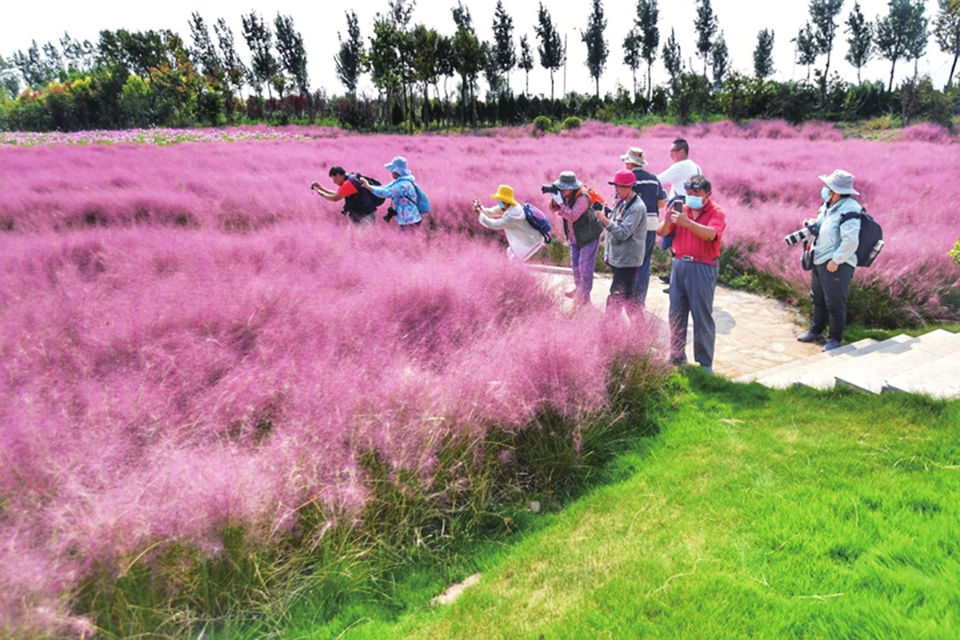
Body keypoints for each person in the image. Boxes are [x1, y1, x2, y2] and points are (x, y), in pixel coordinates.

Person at [658, 174, 726, 374]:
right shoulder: (681, 209)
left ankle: (705, 363)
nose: (691, 198)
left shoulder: (717, 212)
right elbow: (662, 231)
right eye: (688, 194)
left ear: (708, 195)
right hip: (679, 265)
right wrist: (670, 220)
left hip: (702, 266)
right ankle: (676, 355)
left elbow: (711, 234)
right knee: (676, 313)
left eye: (696, 194)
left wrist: (687, 223)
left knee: (701, 315)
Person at [796, 169, 863, 352]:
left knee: (834, 303)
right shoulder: (827, 205)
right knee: (817, 298)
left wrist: (836, 260)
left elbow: (851, 241)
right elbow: (824, 227)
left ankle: (835, 339)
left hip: (836, 265)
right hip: (820, 260)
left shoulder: (850, 209)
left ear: (837, 191)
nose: (825, 190)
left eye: (828, 187)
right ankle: (816, 331)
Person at [547, 171, 604, 305]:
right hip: (575, 237)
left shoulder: (583, 197)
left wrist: (561, 204)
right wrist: (555, 198)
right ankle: (578, 289)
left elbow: (572, 215)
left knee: (585, 267)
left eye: (562, 188)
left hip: (588, 237)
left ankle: (584, 296)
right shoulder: (566, 196)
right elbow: (552, 208)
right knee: (576, 266)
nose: (560, 190)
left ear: (570, 187)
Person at [621, 147, 667, 307]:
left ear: (630, 163)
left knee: (628, 261)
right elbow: (661, 203)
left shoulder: (627, 179)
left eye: (625, 161)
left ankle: (627, 297)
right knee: (644, 263)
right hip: (651, 225)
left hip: (632, 225)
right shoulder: (654, 179)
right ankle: (639, 300)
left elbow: (618, 202)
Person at [597, 170, 646, 316]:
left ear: (629, 187)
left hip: (627, 261)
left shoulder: (637, 208)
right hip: (619, 259)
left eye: (619, 186)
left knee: (615, 298)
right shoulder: (621, 203)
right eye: (615, 186)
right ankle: (641, 330)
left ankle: (609, 329)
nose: (616, 189)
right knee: (628, 299)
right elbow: (614, 225)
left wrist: (604, 220)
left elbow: (623, 233)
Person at [656, 139, 702, 289]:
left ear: (682, 152)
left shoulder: (681, 166)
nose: (670, 155)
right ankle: (674, 277)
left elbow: (658, 180)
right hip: (692, 209)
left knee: (677, 245)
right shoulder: (695, 166)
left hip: (680, 208)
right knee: (683, 244)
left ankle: (677, 283)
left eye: (673, 151)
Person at [475, 185, 544, 262]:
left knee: (515, 261)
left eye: (500, 199)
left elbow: (494, 224)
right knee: (509, 252)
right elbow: (493, 211)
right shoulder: (509, 206)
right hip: (524, 239)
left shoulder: (512, 217)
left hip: (532, 242)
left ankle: (518, 273)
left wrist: (480, 215)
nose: (498, 201)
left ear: (505, 201)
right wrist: (481, 209)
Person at [360, 155, 422, 230]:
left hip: (410, 220)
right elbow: (385, 188)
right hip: (406, 219)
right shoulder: (397, 181)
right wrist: (370, 186)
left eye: (392, 170)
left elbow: (386, 193)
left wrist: (368, 187)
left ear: (397, 171)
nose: (391, 172)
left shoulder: (403, 185)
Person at [310, 165, 380, 225]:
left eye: (333, 179)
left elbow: (335, 198)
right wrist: (321, 188)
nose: (334, 182)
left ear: (338, 175)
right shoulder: (350, 179)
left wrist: (320, 192)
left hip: (366, 215)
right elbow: (337, 193)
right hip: (358, 214)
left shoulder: (349, 183)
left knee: (362, 237)